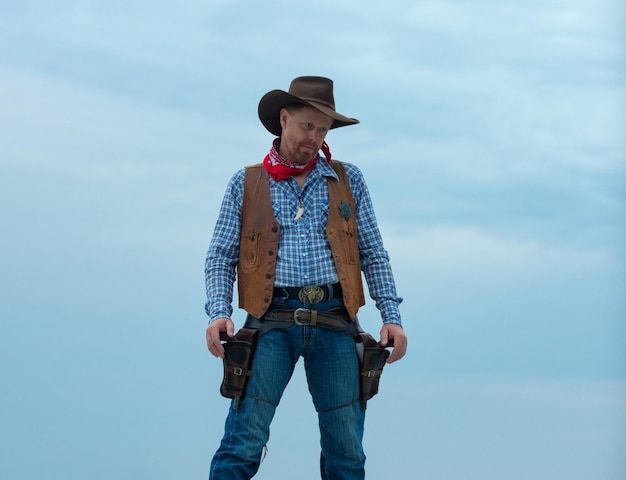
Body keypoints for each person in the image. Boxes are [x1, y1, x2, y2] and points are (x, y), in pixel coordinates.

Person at [204, 76, 407, 480]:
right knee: (243, 443)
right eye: (306, 125)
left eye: (323, 129)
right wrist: (217, 312)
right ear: (284, 119)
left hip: (336, 320)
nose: (314, 137)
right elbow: (221, 255)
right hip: (270, 321)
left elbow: (373, 253)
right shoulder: (245, 183)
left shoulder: (349, 181)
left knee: (346, 450)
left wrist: (392, 316)